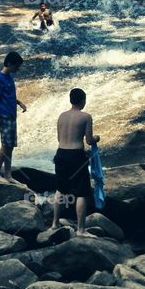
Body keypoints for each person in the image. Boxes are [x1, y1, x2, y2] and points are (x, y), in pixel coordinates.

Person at [52, 88, 101, 235]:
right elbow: (89, 140)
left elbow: (60, 139)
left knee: (60, 189)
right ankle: (81, 230)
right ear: (83, 101)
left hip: (60, 154)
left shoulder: (62, 116)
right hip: (76, 156)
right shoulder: (86, 117)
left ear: (70, 100)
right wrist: (97, 138)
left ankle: (54, 223)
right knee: (82, 192)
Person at [0, 51, 28, 182]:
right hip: (4, 115)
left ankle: (8, 174)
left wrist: (19, 103)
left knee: (10, 146)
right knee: (5, 145)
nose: (18, 69)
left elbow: (9, 96)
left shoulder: (9, 77)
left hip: (12, 115)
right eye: (16, 66)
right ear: (9, 64)